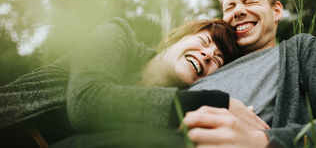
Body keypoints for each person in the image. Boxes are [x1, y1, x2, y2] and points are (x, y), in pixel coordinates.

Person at [183, 0, 316, 147]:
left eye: (249, 2)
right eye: (229, 7)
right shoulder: (209, 61)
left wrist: (261, 141)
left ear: (276, 11)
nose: (238, 11)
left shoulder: (298, 50)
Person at [0, 17, 244, 147]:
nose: (208, 55)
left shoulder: (165, 120)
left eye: (218, 60)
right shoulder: (118, 34)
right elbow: (87, 103)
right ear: (173, 39)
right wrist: (216, 103)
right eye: (203, 42)